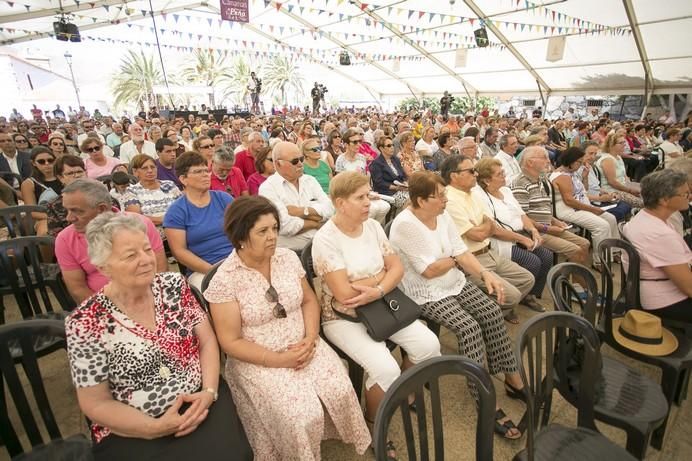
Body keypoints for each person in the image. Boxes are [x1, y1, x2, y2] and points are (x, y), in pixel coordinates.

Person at [65, 212, 252, 461]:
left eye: (146, 249)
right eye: (131, 255)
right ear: (102, 267)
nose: (145, 260)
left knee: (234, 455)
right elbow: (95, 403)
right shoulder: (85, 323)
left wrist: (208, 392)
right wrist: (153, 428)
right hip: (134, 426)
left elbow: (207, 342)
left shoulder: (174, 285)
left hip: (199, 399)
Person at [204, 196, 370, 459]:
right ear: (240, 237)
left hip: (304, 342)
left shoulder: (287, 258)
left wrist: (312, 336)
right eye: (262, 231)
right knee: (301, 414)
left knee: (340, 389)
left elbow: (308, 300)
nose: (272, 236)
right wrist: (278, 359)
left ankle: (324, 434)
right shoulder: (226, 281)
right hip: (259, 357)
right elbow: (230, 342)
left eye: (274, 228)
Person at [312, 171, 441, 459]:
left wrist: (378, 286)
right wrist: (382, 278)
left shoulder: (371, 226)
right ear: (340, 203)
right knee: (385, 367)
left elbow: (397, 269)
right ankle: (374, 421)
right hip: (343, 316)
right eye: (360, 198)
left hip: (381, 305)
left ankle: (401, 393)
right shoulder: (326, 238)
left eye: (368, 195)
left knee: (429, 345)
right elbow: (344, 294)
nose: (368, 202)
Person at [389, 172, 525, 439]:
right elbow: (428, 271)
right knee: (469, 328)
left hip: (453, 280)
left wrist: (485, 274)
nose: (445, 200)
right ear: (419, 201)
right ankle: (485, 399)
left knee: (491, 312)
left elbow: (459, 250)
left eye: (444, 194)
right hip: (424, 292)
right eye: (438, 196)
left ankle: (511, 377)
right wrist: (455, 259)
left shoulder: (441, 213)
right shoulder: (406, 224)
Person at [440, 155, 538, 322]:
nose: (476, 174)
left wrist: (483, 226)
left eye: (476, 171)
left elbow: (490, 223)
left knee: (527, 279)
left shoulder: (472, 193)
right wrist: (484, 226)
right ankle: (486, 318)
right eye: (471, 171)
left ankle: (493, 316)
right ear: (454, 176)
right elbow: (477, 235)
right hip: (472, 258)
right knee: (512, 296)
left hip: (489, 251)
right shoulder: (449, 199)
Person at [55, 179, 167, 304]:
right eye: (67, 210)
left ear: (102, 209)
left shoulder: (140, 224)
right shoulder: (65, 239)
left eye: (77, 211)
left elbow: (160, 269)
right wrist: (112, 312)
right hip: (103, 308)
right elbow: (78, 289)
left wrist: (148, 304)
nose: (69, 218)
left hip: (152, 300)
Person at [474, 158, 553, 309]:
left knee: (546, 256)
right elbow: (495, 230)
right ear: (486, 180)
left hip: (521, 234)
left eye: (503, 172)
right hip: (503, 241)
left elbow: (522, 215)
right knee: (532, 261)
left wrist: (533, 231)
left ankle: (529, 295)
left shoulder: (506, 190)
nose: (504, 175)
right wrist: (522, 239)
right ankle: (511, 303)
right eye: (499, 174)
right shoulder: (480, 196)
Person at [623, 170, 692, 322]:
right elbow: (689, 288)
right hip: (664, 301)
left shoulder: (644, 216)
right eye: (685, 194)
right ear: (664, 200)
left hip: (648, 290)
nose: (690, 197)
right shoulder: (660, 234)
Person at [163, 152, 233, 290]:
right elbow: (179, 252)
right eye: (198, 171)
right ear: (183, 179)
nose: (205, 174)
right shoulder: (176, 212)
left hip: (237, 261)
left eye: (206, 170)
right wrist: (213, 271)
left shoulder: (224, 199)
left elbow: (244, 232)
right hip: (203, 269)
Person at [511, 146, 590, 264]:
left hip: (547, 227)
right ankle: (573, 280)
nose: (549, 161)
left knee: (585, 243)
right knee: (576, 250)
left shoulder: (540, 180)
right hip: (534, 232)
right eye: (544, 158)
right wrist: (548, 228)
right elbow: (522, 218)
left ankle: (570, 276)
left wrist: (554, 221)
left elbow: (542, 208)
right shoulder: (520, 183)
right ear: (530, 162)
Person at [259, 142, 334, 251]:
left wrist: (302, 211)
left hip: (322, 245)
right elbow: (284, 226)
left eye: (301, 159)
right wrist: (315, 224)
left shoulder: (310, 181)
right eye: (295, 161)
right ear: (278, 164)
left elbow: (330, 210)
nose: (300, 164)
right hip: (292, 253)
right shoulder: (268, 188)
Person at [124, 154, 182, 231]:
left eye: (153, 167)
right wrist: (163, 219)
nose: (150, 170)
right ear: (135, 172)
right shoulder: (132, 191)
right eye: (145, 168)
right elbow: (137, 218)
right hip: (151, 233)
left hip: (178, 229)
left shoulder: (169, 185)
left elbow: (183, 207)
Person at [579, 141, 632, 222]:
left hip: (598, 198)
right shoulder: (577, 169)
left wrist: (608, 194)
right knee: (619, 211)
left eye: (595, 154)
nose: (593, 157)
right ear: (582, 153)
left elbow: (596, 186)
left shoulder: (589, 166)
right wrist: (600, 198)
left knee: (625, 205)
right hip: (590, 202)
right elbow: (579, 195)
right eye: (590, 153)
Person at [19, 147, 61, 235]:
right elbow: (32, 211)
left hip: (67, 212)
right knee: (45, 232)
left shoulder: (63, 177)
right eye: (41, 161)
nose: (47, 164)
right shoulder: (29, 183)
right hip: (43, 217)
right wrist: (55, 217)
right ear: (34, 163)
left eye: (50, 160)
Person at [595, 132, 643, 208]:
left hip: (622, 187)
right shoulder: (608, 159)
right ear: (611, 145)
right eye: (621, 143)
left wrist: (631, 186)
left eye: (624, 142)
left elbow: (625, 176)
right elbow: (612, 182)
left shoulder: (618, 156)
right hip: (612, 191)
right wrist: (629, 190)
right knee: (643, 202)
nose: (624, 144)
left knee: (648, 193)